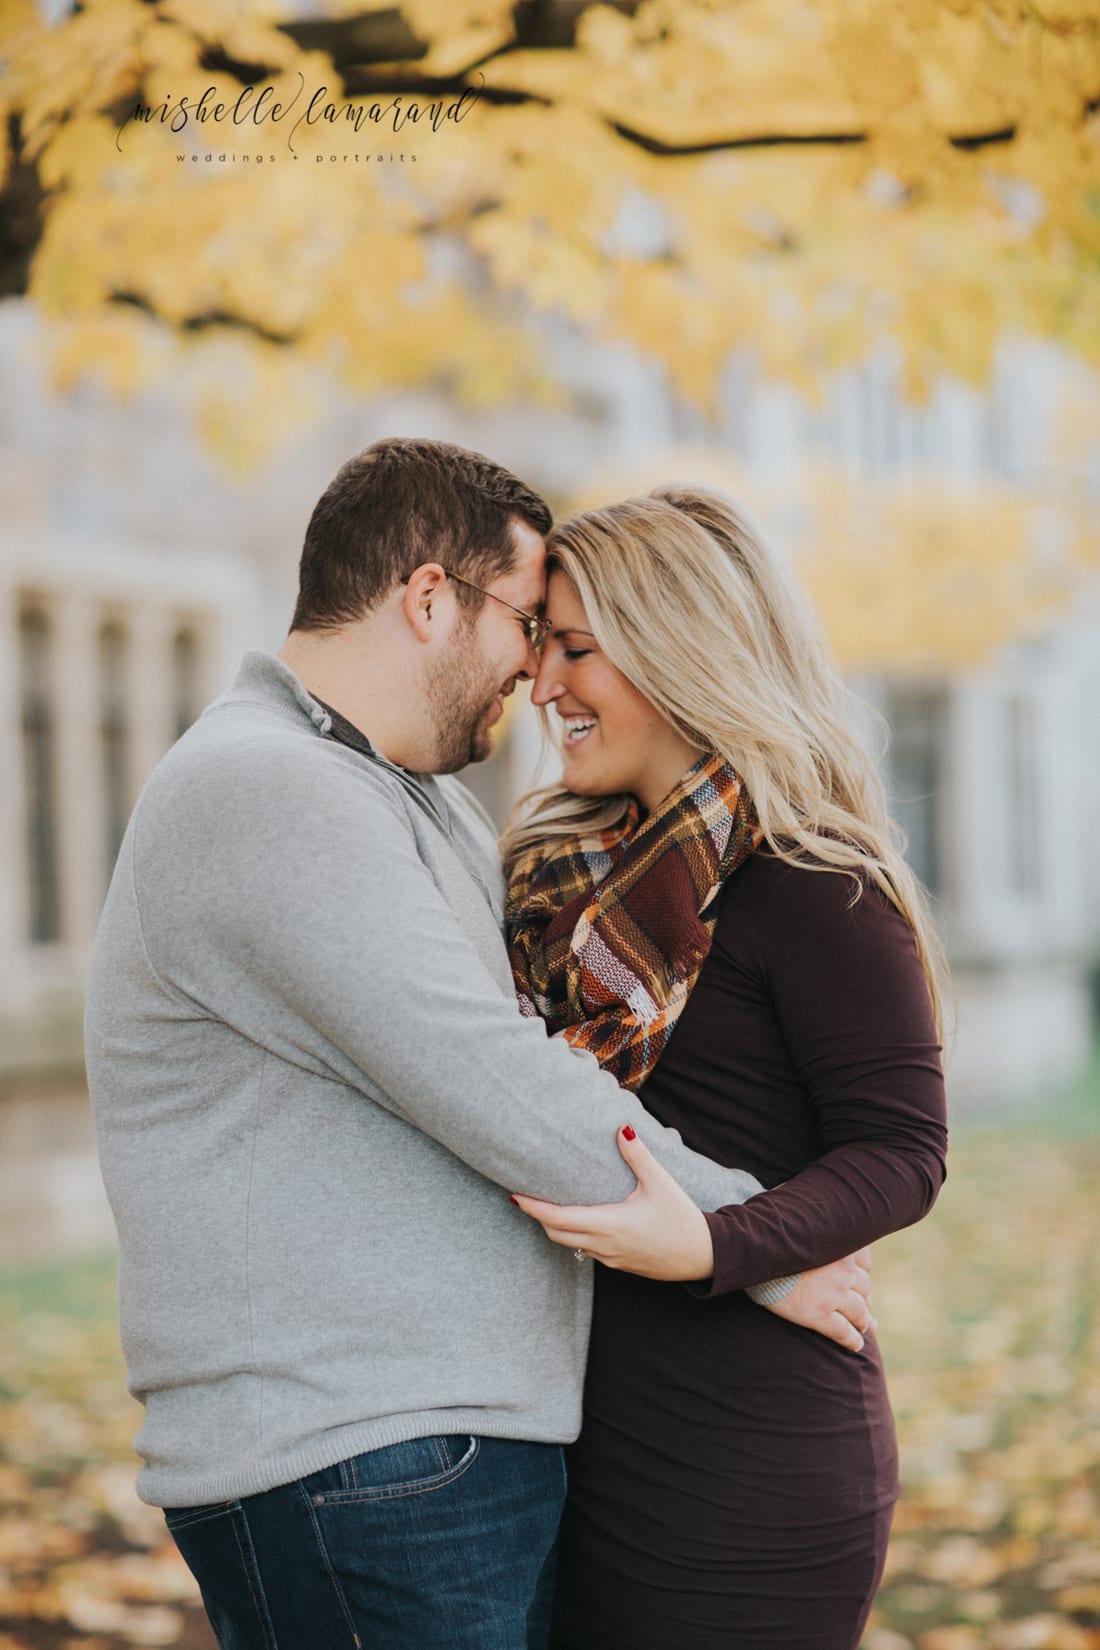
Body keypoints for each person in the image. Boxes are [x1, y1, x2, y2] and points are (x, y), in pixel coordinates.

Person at [84, 439, 873, 1650]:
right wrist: (747, 1239)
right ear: (428, 599)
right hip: (354, 1449)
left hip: (433, 1444)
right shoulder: (264, 787)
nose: (533, 670)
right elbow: (489, 1075)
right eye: (525, 623)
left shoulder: (413, 800)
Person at [503, 486, 949, 1650]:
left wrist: (718, 1246)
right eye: (542, 646)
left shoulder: (809, 880)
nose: (544, 683)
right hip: (580, 1436)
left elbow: (901, 1152)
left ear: (678, 648)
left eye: (577, 650)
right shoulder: (557, 880)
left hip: (746, 1458)